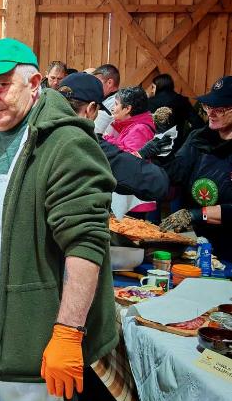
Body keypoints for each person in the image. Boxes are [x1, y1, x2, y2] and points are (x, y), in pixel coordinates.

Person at [0, 38, 116, 401]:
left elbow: (86, 244)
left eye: (1, 86)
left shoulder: (64, 143)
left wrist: (68, 332)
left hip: (36, 339)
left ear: (34, 83)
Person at [59, 72, 169, 202]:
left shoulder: (38, 129)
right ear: (91, 109)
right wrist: (140, 154)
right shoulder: (85, 142)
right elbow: (156, 182)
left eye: (116, 104)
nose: (113, 109)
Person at [160, 76, 232, 261]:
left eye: (220, 109)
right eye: (208, 107)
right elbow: (175, 174)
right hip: (203, 243)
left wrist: (197, 214)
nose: (211, 113)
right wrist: (163, 140)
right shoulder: (199, 138)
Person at [147, 73, 203, 156]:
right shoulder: (182, 101)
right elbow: (198, 123)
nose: (152, 90)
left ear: (159, 86)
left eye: (153, 87)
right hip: (177, 147)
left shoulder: (149, 102)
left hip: (153, 148)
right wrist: (186, 138)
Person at [92, 64, 120, 134]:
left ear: (109, 83)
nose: (94, 85)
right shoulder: (105, 98)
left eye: (97, 82)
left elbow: (98, 132)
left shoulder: (115, 102)